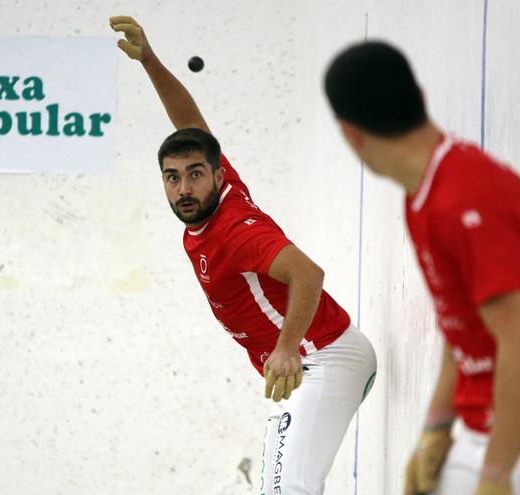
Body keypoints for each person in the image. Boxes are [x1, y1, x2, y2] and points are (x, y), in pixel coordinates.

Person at [323, 41, 520, 495]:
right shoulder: (423, 193)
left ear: (350, 133)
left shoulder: (463, 199)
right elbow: (461, 325)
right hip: (500, 422)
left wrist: (496, 475)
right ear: (420, 98)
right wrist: (435, 430)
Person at [110, 15, 378, 494]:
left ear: (215, 177)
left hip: (322, 358)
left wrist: (286, 347)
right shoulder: (220, 187)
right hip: (314, 362)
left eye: (196, 174)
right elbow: (188, 122)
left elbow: (308, 274)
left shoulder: (234, 231)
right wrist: (149, 60)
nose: (185, 187)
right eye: (173, 177)